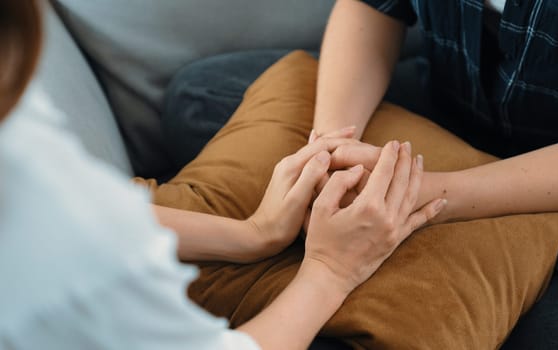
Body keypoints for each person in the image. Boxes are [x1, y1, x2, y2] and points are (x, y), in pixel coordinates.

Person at [159, 0, 558, 348]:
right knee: (202, 95)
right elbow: (373, 6)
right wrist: (329, 148)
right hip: (448, 105)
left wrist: (435, 194)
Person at [0, 2, 445, 350]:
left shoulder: (20, 117)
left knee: (197, 94)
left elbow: (82, 200)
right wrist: (331, 270)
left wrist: (254, 233)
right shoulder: (74, 275)